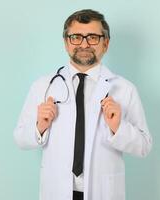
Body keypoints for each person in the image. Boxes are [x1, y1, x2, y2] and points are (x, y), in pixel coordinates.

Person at [14, 9, 152, 200]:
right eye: (76, 37)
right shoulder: (43, 86)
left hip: (103, 191)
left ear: (106, 43)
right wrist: (40, 126)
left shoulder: (124, 89)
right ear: (66, 42)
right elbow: (20, 139)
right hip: (57, 190)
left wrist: (118, 128)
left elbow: (144, 146)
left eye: (93, 37)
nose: (84, 44)